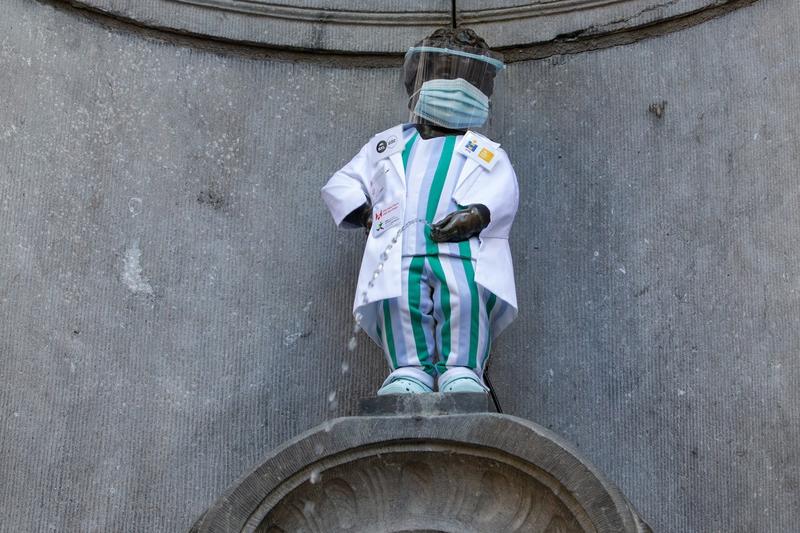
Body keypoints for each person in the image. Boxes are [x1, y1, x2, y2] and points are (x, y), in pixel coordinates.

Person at [322, 27, 519, 395]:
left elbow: (502, 189)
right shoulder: (387, 144)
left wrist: (477, 214)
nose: (458, 88)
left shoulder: (484, 150)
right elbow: (342, 184)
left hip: (459, 252)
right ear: (419, 78)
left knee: (464, 298)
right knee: (400, 301)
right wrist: (365, 213)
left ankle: (461, 368)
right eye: (447, 75)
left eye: (470, 80)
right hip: (399, 250)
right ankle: (410, 368)